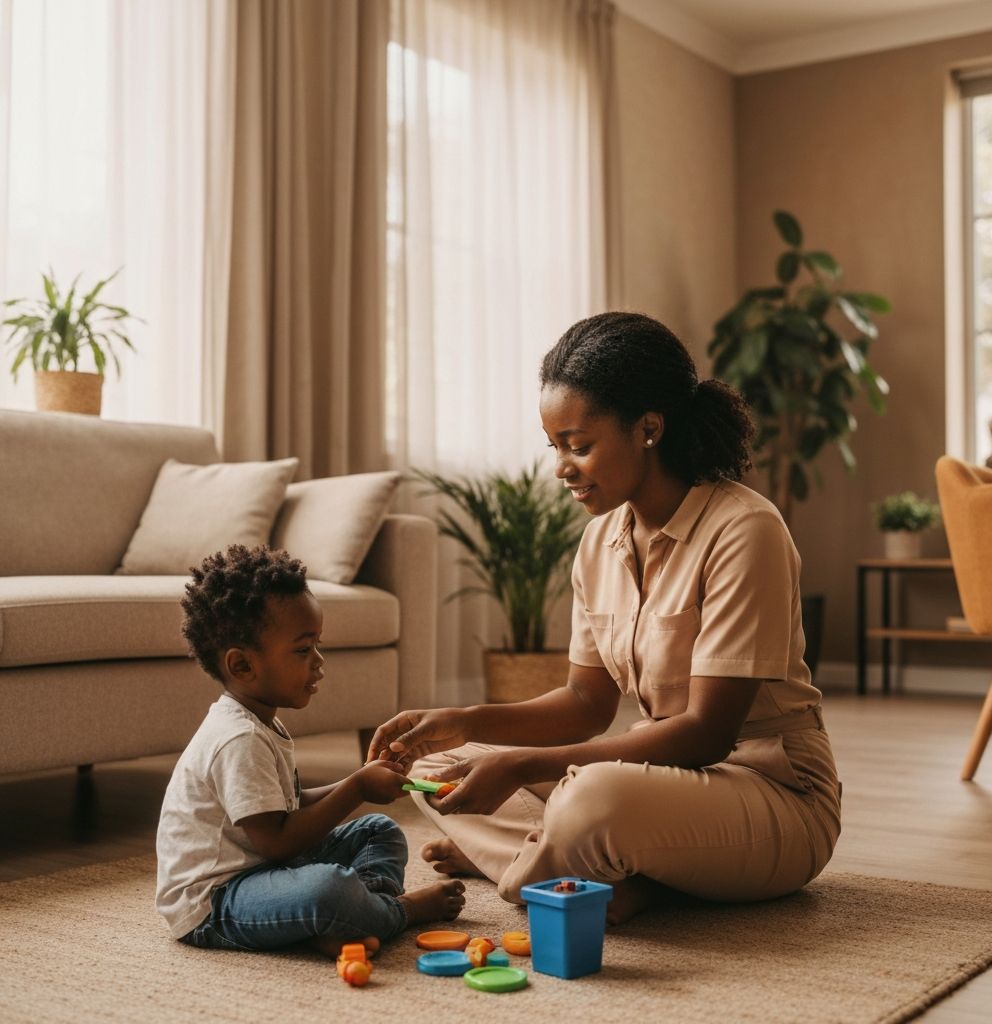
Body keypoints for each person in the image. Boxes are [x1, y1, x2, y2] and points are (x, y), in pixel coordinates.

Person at [367, 311, 842, 924]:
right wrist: (460, 721)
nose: (562, 467)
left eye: (579, 445)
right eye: (555, 447)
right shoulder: (599, 544)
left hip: (772, 792)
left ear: (648, 428)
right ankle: (596, 874)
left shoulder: (745, 530)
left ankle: (541, 862)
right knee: (432, 765)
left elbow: (708, 734)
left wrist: (522, 765)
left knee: (590, 796)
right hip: (658, 784)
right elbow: (584, 705)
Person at [155, 544, 465, 956]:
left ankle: (348, 919)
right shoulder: (237, 738)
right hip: (217, 903)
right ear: (242, 666)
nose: (319, 662)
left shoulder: (261, 722)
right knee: (328, 888)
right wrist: (355, 789)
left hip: (264, 872)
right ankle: (395, 912)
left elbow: (286, 807)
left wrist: (359, 781)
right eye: (303, 650)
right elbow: (277, 842)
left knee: (379, 831)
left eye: (317, 645)